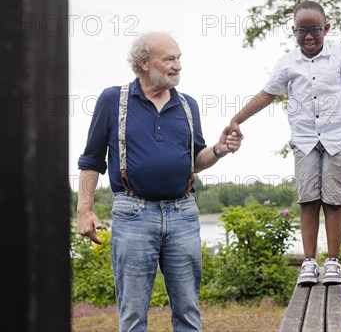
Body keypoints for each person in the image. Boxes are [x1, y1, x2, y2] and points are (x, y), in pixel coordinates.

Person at [76, 32, 241, 332]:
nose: (178, 65)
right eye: (169, 59)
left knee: (189, 311)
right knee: (134, 315)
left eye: (179, 58)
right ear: (143, 63)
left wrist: (219, 149)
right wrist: (84, 211)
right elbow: (91, 161)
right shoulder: (113, 100)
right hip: (133, 214)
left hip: (183, 214)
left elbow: (195, 162)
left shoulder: (188, 105)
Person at [227, 0, 341, 286]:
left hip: (338, 137)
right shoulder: (288, 62)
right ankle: (309, 262)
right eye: (301, 31)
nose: (309, 36)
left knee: (334, 199)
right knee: (308, 199)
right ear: (293, 31)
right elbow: (266, 95)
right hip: (304, 140)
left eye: (315, 30)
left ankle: (334, 262)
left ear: (326, 28)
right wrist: (237, 119)